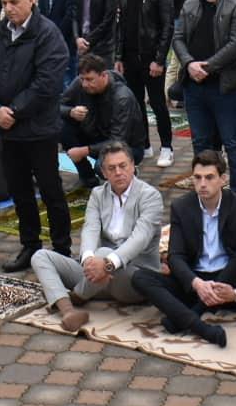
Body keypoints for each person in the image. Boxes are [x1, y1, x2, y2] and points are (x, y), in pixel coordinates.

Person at [132, 149, 236, 346]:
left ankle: (193, 312)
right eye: (197, 178)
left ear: (222, 179)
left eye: (209, 177)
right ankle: (202, 328)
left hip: (229, 280)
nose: (202, 184)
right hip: (196, 280)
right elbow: (175, 256)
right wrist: (197, 284)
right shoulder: (181, 206)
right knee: (140, 277)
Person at [0, 0, 71, 273]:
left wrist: (15, 110)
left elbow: (47, 82)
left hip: (39, 128)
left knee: (50, 190)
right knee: (20, 191)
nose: (8, 9)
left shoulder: (47, 34)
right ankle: (30, 245)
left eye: (14, 2)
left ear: (31, 0)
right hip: (7, 129)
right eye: (4, 3)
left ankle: (62, 249)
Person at [30, 141, 162, 333]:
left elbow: (139, 239)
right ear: (104, 172)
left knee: (105, 251)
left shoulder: (150, 196)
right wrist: (88, 260)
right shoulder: (98, 194)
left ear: (133, 166)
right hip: (98, 277)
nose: (118, 172)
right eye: (111, 168)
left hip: (134, 278)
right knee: (40, 256)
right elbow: (90, 229)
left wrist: (107, 263)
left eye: (123, 166)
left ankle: (78, 296)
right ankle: (69, 312)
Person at [172, 0, 236, 186]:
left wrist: (207, 66)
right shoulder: (190, 5)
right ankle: (205, 190)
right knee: (201, 144)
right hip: (194, 86)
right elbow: (178, 38)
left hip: (224, 86)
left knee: (233, 144)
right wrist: (189, 64)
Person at [114, 0, 175, 168]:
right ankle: (145, 144)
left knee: (158, 103)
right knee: (136, 104)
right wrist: (118, 56)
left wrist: (159, 60)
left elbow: (167, 27)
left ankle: (167, 146)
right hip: (130, 58)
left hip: (152, 58)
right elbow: (120, 27)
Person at [60, 54, 147, 187]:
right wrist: (70, 112)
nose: (85, 84)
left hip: (128, 146)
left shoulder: (122, 97)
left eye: (90, 80)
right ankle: (88, 178)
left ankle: (129, 170)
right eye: (82, 79)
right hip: (95, 134)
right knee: (61, 127)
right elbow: (57, 106)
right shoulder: (80, 84)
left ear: (104, 75)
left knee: (102, 167)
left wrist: (84, 150)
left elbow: (118, 140)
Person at [37, 0, 80, 81]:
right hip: (48, 44)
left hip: (66, 44)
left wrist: (53, 35)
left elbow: (70, 15)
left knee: (67, 83)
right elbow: (42, 14)